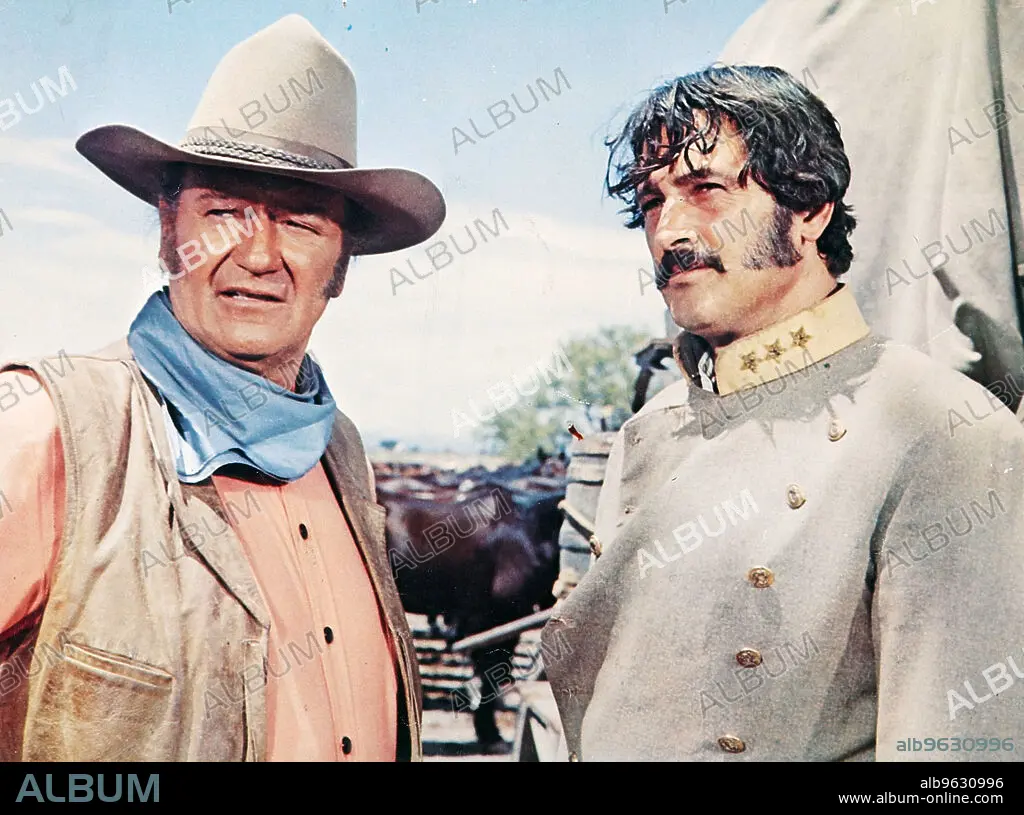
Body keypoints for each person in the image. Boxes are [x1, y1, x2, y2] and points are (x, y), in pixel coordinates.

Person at [540, 65, 1024, 761]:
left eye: (706, 189)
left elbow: (956, 766)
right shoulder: (648, 433)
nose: (668, 230)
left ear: (809, 210)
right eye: (651, 200)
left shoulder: (944, 429)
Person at [0, 15, 445, 762]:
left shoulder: (339, 450)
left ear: (341, 265)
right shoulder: (54, 427)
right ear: (168, 230)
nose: (259, 254)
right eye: (225, 212)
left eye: (300, 222)